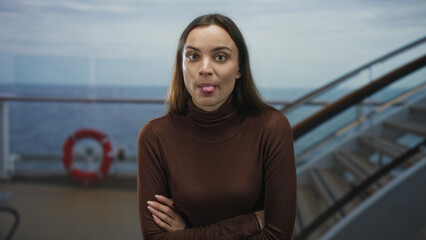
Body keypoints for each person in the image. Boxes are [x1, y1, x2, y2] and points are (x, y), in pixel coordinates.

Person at [137, 13, 296, 239]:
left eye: (220, 57)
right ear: (181, 66)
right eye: (192, 56)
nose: (204, 69)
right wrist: (249, 223)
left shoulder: (272, 127)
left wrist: (186, 234)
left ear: (239, 68)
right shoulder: (154, 136)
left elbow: (277, 237)